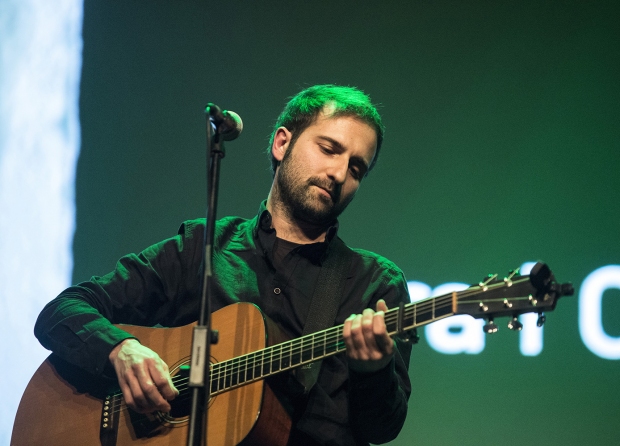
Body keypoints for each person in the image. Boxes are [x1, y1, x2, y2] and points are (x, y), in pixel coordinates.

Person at [35, 84, 412, 446]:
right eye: (329, 149)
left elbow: (383, 427)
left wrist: (374, 368)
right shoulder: (203, 247)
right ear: (282, 143)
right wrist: (121, 350)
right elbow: (62, 311)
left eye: (356, 169)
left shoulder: (374, 283)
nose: (339, 174)